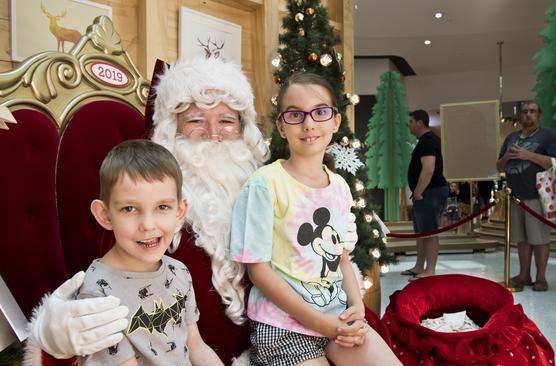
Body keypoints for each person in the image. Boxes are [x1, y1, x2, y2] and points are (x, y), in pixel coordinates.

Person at [26, 58, 358, 365]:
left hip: (279, 338)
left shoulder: (270, 186)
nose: (214, 135)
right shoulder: (150, 217)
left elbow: (311, 260)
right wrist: (58, 331)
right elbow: (110, 289)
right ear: (172, 129)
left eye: (227, 121)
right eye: (196, 120)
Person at [229, 72, 400, 366]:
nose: (309, 124)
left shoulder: (340, 187)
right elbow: (259, 271)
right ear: (282, 125)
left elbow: (342, 260)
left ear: (335, 120)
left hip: (336, 317)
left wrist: (357, 308)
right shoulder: (264, 184)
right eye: (295, 114)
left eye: (320, 112)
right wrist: (323, 325)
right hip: (283, 328)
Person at [77, 139, 223, 365]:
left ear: (179, 210)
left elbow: (196, 346)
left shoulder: (178, 272)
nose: (148, 224)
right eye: (129, 209)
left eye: (162, 207)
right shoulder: (97, 295)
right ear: (105, 215)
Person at [496, 100, 556, 292]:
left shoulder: (548, 135)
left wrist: (528, 155)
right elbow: (499, 166)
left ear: (538, 115)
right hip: (515, 197)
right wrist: (507, 156)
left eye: (532, 111)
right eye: (525, 111)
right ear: (520, 115)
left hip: (537, 196)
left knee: (539, 239)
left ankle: (541, 278)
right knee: (522, 239)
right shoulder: (510, 138)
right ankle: (524, 274)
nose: (528, 115)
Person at [400, 110, 448, 280]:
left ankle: (430, 269)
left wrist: (419, 192)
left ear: (420, 123)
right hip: (426, 193)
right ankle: (420, 266)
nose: (409, 125)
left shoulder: (428, 141)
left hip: (431, 192)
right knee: (421, 232)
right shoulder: (424, 141)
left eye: (411, 121)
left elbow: (428, 170)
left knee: (429, 232)